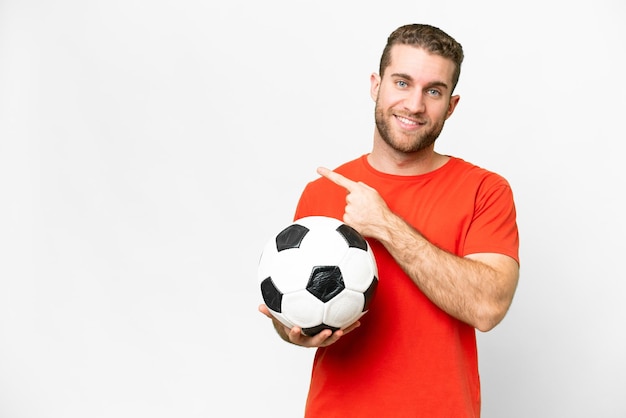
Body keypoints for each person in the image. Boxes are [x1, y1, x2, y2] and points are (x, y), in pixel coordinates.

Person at [259, 23, 519, 417]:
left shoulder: (485, 190)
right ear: (375, 86)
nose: (414, 105)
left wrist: (385, 224)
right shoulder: (324, 191)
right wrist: (294, 331)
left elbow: (487, 307)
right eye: (402, 82)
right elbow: (294, 307)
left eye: (433, 91)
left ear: (451, 105)